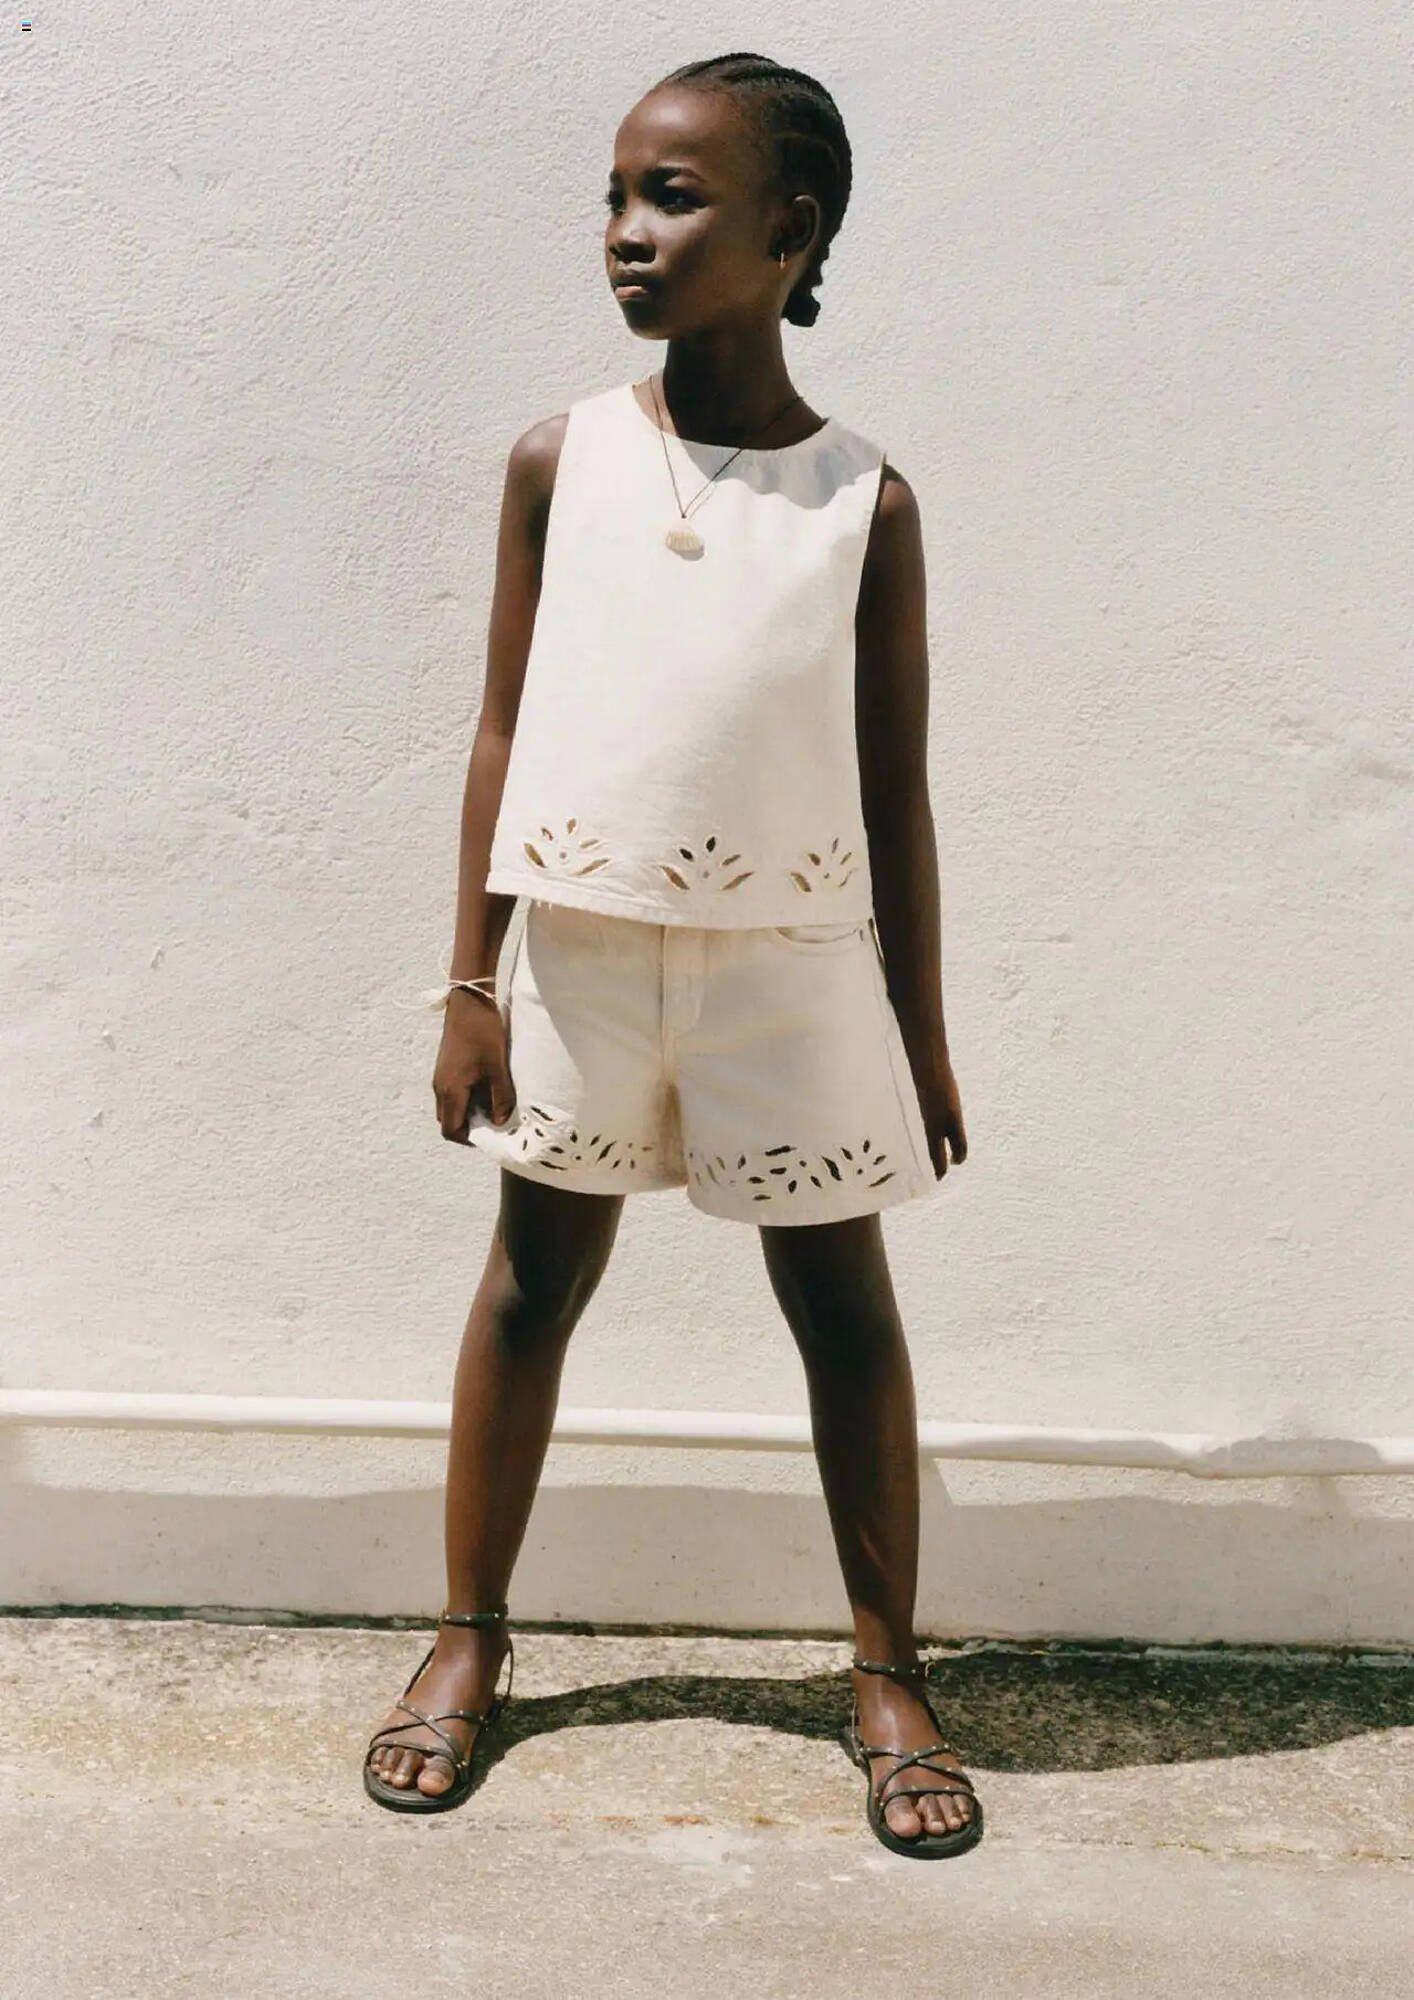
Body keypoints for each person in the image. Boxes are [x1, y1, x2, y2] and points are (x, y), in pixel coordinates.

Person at [363, 51, 981, 1859]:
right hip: (582, 954)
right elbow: (502, 726)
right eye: (618, 196)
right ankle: (467, 1636)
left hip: (794, 967)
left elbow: (894, 787)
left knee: (842, 1306)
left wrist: (922, 1034)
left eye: (674, 198)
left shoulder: (863, 502)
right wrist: (466, 983)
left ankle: (885, 1671)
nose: (626, 232)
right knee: (528, 1286)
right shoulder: (562, 460)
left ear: (790, 230)